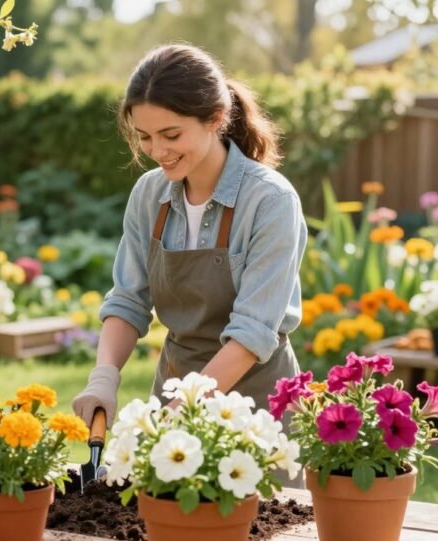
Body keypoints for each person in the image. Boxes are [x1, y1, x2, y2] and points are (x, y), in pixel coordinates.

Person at [72, 43, 307, 428]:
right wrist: (104, 378)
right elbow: (129, 300)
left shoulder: (270, 201)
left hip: (257, 407)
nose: (158, 150)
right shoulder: (150, 194)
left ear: (215, 118)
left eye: (171, 134)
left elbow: (253, 331)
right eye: (144, 137)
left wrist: (189, 407)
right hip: (174, 387)